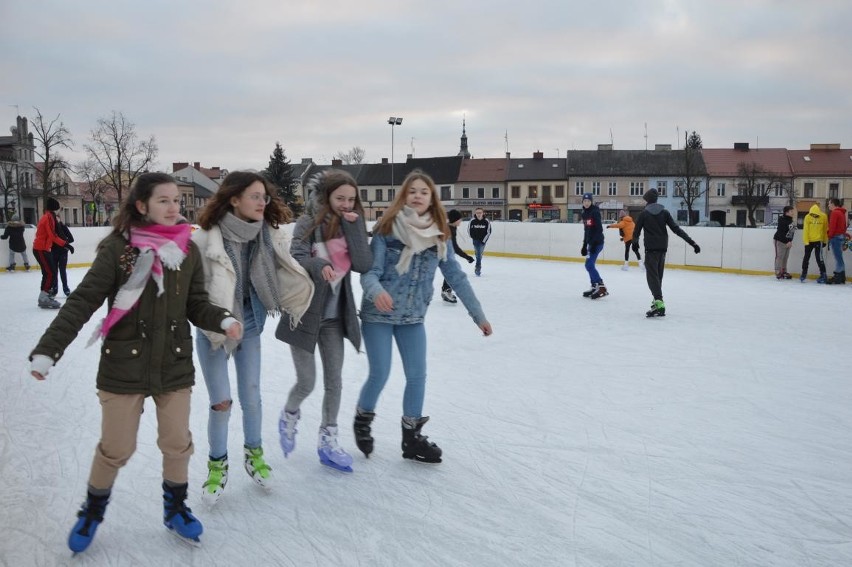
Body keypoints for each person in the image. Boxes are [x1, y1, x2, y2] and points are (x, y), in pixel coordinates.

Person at [28, 172, 242, 553]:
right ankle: (92, 511)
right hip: (123, 366)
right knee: (116, 447)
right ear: (141, 205)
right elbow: (82, 301)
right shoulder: (118, 250)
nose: (174, 206)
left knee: (177, 443)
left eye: (176, 200)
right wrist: (48, 350)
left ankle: (175, 509)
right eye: (164, 200)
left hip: (173, 365)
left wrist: (221, 320)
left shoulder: (186, 251)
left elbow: (195, 304)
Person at [354, 169, 493, 464]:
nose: (417, 195)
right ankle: (363, 420)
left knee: (417, 376)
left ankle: (411, 438)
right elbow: (370, 273)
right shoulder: (386, 229)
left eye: (424, 192)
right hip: (379, 314)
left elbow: (456, 276)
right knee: (380, 373)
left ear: (432, 199)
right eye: (412, 191)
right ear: (404, 196)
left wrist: (477, 315)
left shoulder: (438, 235)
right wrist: (376, 291)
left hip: (413, 317)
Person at [192, 171, 313, 505]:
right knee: (221, 402)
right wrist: (218, 320)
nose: (263, 202)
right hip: (214, 326)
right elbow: (194, 290)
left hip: (251, 322)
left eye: (265, 196)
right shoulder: (205, 239)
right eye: (255, 196)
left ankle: (253, 454)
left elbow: (293, 259)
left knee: (252, 396)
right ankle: (217, 466)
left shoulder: (268, 235)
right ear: (234, 199)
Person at [275, 170, 373, 473]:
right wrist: (319, 265)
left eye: (351, 199)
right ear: (327, 196)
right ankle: (289, 414)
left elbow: (363, 264)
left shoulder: (351, 224)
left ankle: (328, 438)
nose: (346, 204)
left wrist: (355, 229)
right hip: (304, 316)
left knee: (335, 382)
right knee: (307, 382)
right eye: (340, 198)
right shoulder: (307, 223)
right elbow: (297, 257)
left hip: (334, 319)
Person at [632, 189, 700, 317]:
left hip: (651, 250)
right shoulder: (664, 213)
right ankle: (656, 302)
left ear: (647, 200)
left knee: (652, 277)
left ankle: (659, 302)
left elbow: (636, 232)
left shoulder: (644, 214)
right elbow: (676, 229)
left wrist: (635, 244)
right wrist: (692, 243)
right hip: (662, 248)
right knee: (658, 277)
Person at [32, 197, 71, 309]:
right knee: (50, 273)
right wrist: (65, 244)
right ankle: (44, 297)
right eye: (58, 208)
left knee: (49, 272)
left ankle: (45, 295)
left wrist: (64, 244)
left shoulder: (49, 216)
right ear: (54, 208)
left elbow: (52, 235)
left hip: (44, 248)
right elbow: (52, 235)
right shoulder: (48, 217)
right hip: (40, 248)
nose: (58, 211)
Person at [441, 209, 475, 303]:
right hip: (439, 253)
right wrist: (467, 257)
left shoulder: (452, 227)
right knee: (452, 271)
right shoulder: (449, 229)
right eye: (459, 219)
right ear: (455, 220)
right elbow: (454, 247)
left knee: (452, 270)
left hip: (445, 253)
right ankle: (446, 291)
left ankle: (446, 290)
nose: (461, 221)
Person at [580, 193, 607, 299]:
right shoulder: (584, 213)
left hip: (597, 243)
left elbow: (599, 229)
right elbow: (586, 230)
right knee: (588, 265)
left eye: (588, 201)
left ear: (591, 202)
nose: (586, 203)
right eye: (584, 201)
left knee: (589, 265)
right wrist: (584, 245)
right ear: (582, 202)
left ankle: (601, 287)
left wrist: (594, 243)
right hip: (591, 243)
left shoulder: (595, 212)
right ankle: (594, 286)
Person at [800, 203, 828, 283]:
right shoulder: (807, 217)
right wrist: (806, 241)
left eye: (816, 215)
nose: (814, 216)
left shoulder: (824, 216)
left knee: (819, 258)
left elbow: (825, 229)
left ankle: (823, 274)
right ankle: (804, 273)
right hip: (809, 241)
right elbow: (806, 230)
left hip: (819, 241)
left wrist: (825, 240)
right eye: (813, 215)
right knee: (806, 258)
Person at [51, 217, 75, 296]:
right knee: (54, 271)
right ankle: (54, 288)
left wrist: (65, 243)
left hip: (63, 252)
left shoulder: (63, 227)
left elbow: (71, 239)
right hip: (53, 252)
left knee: (62, 270)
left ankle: (65, 288)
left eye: (57, 219)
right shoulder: (51, 229)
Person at [826, 198, 847, 284]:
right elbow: (845, 226)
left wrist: (829, 236)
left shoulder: (835, 213)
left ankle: (838, 276)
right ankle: (842, 276)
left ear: (833, 204)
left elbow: (832, 226)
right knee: (839, 257)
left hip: (835, 237)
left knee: (838, 258)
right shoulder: (842, 213)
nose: (828, 205)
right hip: (841, 237)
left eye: (829, 203)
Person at [772, 206, 796, 280]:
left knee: (785, 257)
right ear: (786, 212)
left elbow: (792, 232)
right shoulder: (782, 220)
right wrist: (787, 241)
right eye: (791, 211)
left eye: (793, 211)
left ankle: (784, 271)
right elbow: (780, 233)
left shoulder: (791, 221)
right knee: (779, 257)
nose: (793, 213)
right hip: (779, 240)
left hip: (787, 242)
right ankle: (778, 272)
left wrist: (790, 241)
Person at [467, 207, 491, 276]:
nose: (478, 214)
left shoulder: (486, 221)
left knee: (479, 254)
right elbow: (469, 230)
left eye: (480, 212)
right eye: (477, 213)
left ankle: (478, 264)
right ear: (475, 213)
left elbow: (489, 232)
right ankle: (478, 268)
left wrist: (484, 240)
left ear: (483, 213)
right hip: (475, 240)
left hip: (483, 241)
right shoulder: (472, 221)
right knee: (478, 254)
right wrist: (473, 238)